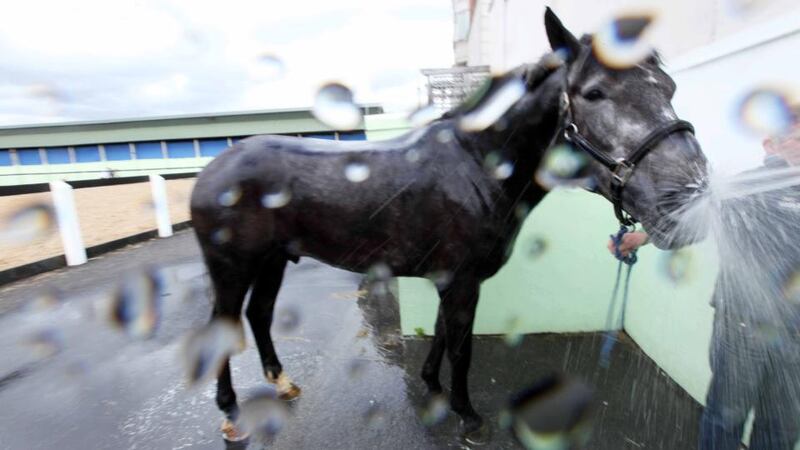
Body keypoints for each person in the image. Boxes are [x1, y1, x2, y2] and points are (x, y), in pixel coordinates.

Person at [608, 118, 800, 450]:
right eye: (797, 137)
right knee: (727, 416)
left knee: (783, 423)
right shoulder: (745, 187)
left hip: (796, 332)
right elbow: (691, 222)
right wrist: (638, 237)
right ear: (771, 144)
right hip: (742, 324)